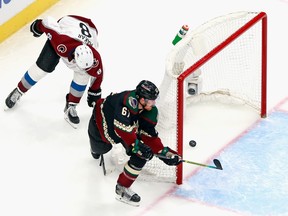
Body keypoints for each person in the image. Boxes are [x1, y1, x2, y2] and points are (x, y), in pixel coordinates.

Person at [88, 80, 181, 207]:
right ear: (141, 100)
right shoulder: (124, 104)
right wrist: (137, 146)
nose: (154, 103)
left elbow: (149, 135)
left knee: (141, 155)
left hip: (125, 129)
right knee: (100, 149)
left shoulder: (149, 110)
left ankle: (122, 188)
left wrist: (163, 152)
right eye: (151, 100)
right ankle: (95, 150)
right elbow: (121, 130)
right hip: (100, 124)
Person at [4, 15, 104, 129]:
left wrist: (94, 92)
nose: (83, 69)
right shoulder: (61, 41)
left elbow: (98, 76)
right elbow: (48, 23)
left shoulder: (95, 59)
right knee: (41, 68)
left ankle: (71, 106)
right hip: (69, 24)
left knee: (83, 76)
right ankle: (19, 90)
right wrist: (37, 26)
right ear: (74, 57)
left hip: (90, 30)